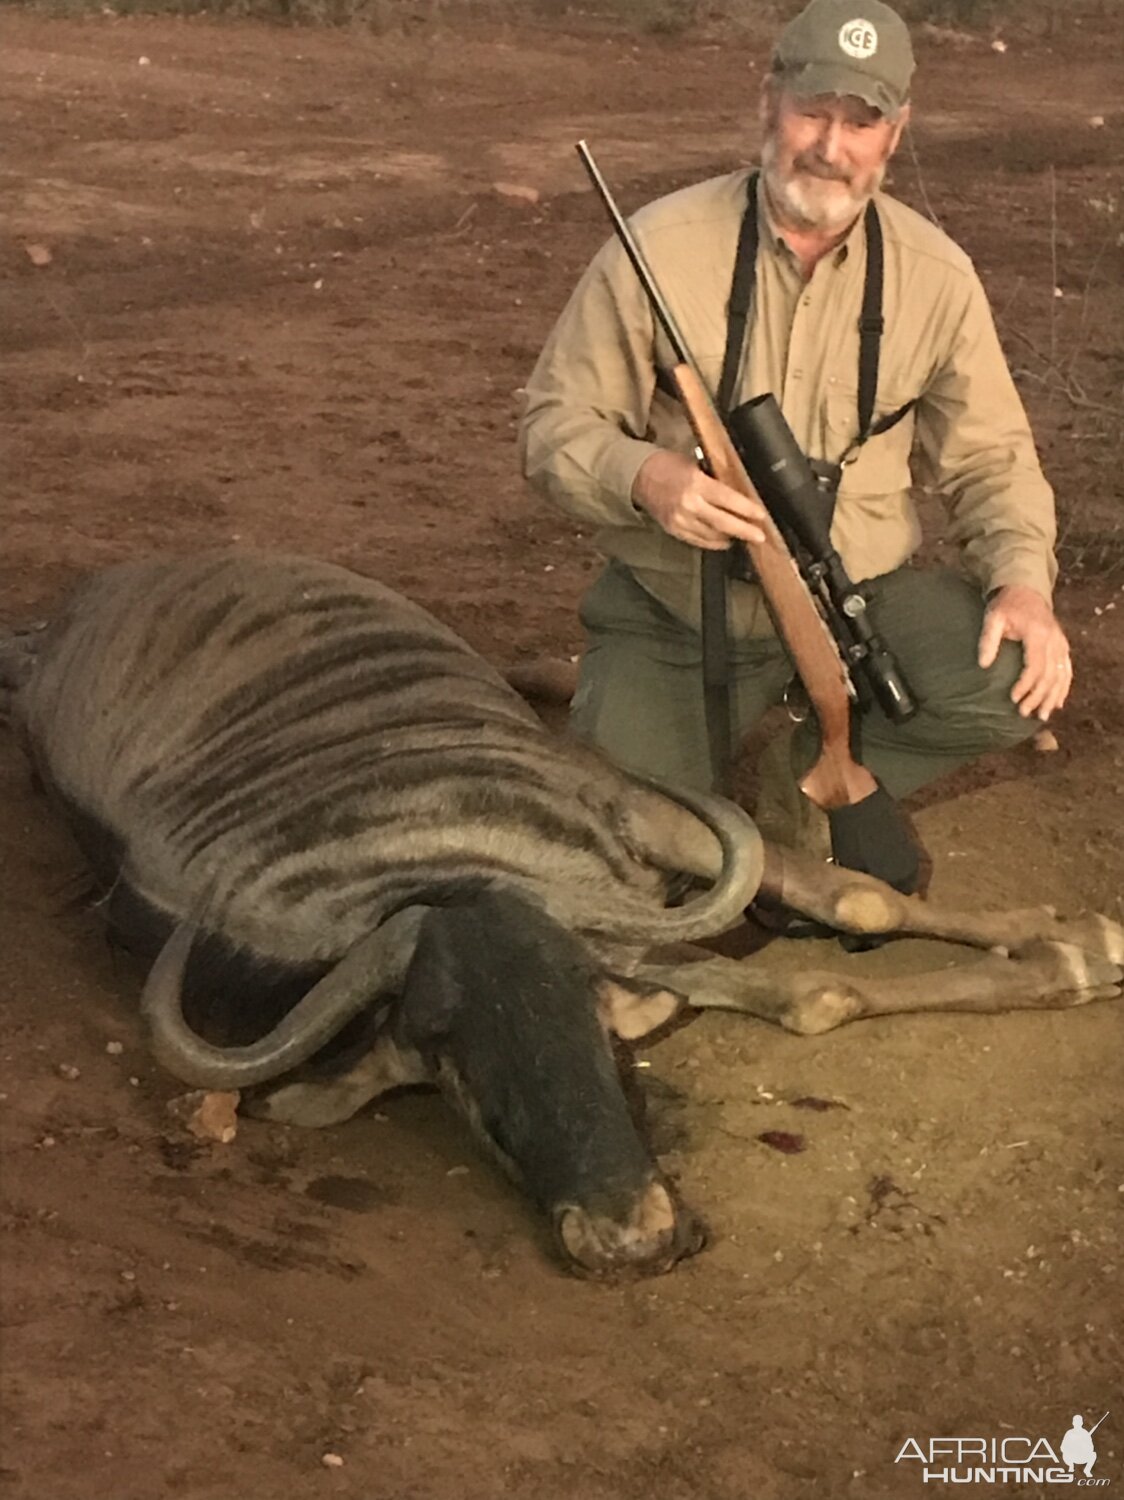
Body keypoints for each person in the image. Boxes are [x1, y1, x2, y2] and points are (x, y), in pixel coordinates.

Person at [517, 0, 1071, 855]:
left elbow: (993, 461)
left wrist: (1023, 586)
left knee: (1013, 678)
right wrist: (645, 478)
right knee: (622, 843)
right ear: (768, 100)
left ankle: (806, 780)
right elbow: (555, 424)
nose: (831, 146)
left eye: (861, 122)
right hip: (679, 608)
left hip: (860, 605)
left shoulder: (938, 276)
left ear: (897, 131)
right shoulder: (657, 248)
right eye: (813, 111)